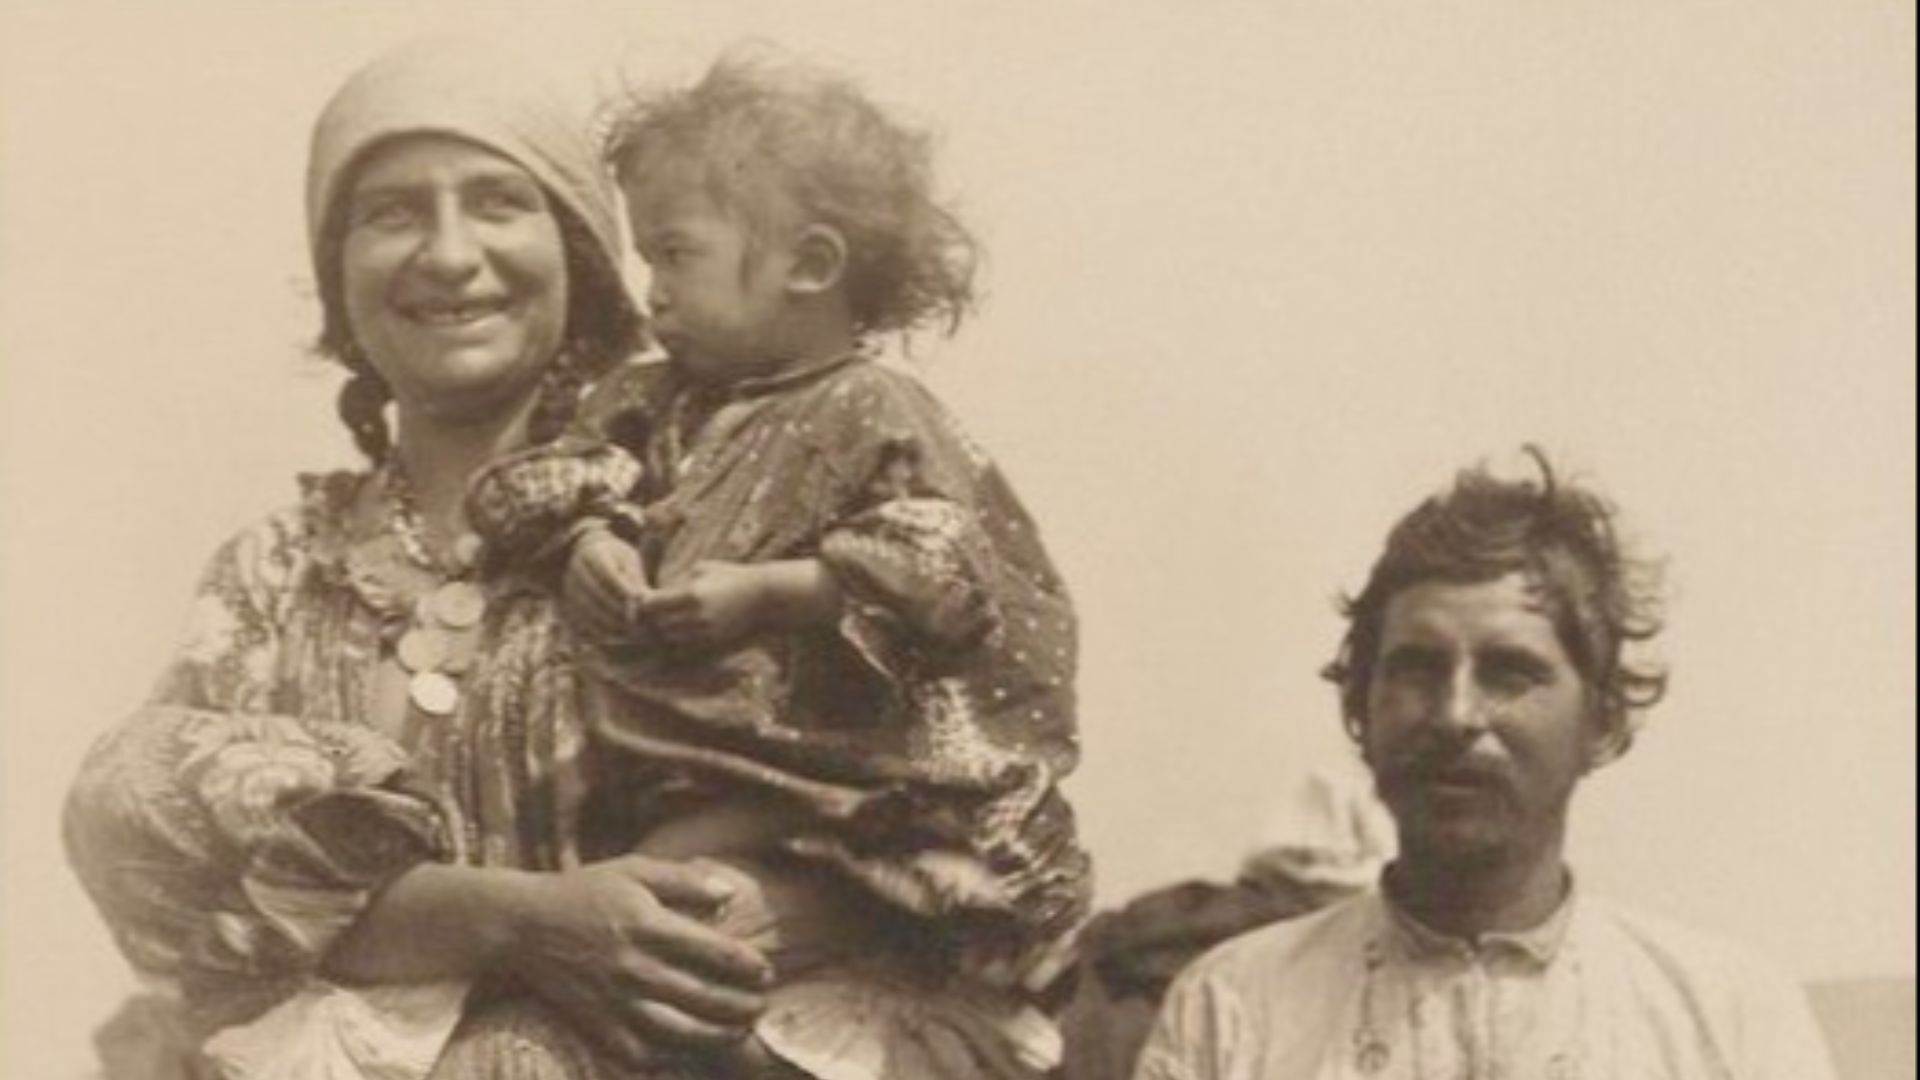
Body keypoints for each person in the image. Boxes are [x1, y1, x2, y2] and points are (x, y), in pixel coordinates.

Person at [62, 38, 848, 1079]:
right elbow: (165, 879)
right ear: (338, 277)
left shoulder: (715, 512)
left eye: (497, 202)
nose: (446, 253)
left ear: (576, 249)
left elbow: (921, 806)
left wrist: (744, 918)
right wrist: (508, 919)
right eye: (391, 212)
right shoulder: (272, 573)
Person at [458, 53, 1092, 1080]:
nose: (651, 294)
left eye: (676, 257)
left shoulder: (877, 414)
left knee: (676, 929)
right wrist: (591, 539)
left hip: (839, 775)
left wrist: (782, 590)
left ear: (809, 264)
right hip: (680, 765)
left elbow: (947, 567)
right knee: (632, 924)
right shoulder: (647, 402)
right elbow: (534, 482)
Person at [1133, 449, 1838, 1079]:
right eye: (1416, 668)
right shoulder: (1229, 1014)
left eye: (1509, 671)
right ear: (1360, 708)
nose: (1455, 714)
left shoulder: (1730, 1019)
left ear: (1603, 719)